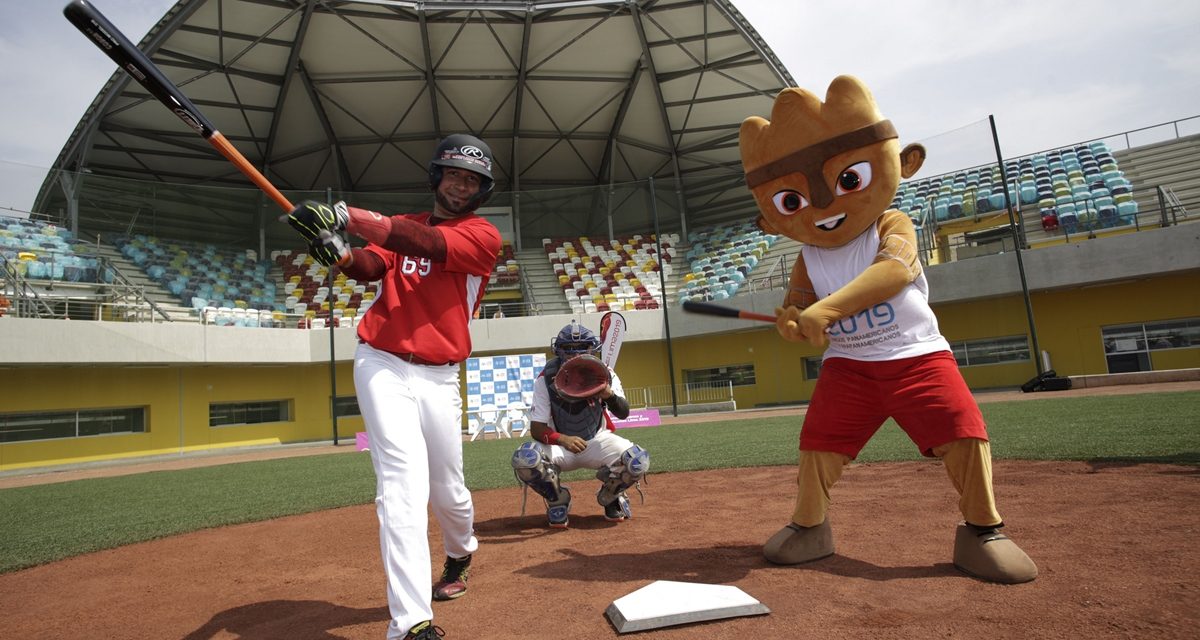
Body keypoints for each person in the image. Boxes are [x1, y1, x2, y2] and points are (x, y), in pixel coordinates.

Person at [286, 134, 502, 640]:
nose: (460, 185)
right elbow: (369, 268)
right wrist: (336, 252)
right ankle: (410, 622)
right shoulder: (403, 229)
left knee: (448, 491)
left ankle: (460, 551)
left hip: (440, 374)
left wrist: (346, 216)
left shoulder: (482, 236)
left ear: (480, 191)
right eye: (453, 174)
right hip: (381, 360)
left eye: (471, 179)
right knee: (401, 487)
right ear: (437, 177)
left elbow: (423, 244)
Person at [510, 321, 650, 528]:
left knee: (637, 460)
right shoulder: (545, 379)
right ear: (558, 350)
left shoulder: (606, 373)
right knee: (525, 459)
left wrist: (609, 395)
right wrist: (563, 439)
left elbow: (623, 412)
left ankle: (611, 495)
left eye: (582, 347)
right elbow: (537, 428)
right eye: (568, 348)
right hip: (560, 445)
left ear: (592, 348)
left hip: (597, 440)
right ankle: (558, 498)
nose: (575, 353)